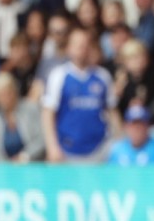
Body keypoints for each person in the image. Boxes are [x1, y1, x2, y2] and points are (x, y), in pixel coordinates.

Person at [41, 28, 117, 163]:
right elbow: (48, 113)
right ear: (69, 48)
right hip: (67, 151)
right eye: (77, 44)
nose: (82, 48)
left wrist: (119, 142)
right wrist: (52, 146)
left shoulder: (102, 76)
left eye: (85, 44)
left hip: (99, 151)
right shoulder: (59, 75)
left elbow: (112, 111)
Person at [0, 72, 43, 162]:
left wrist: (25, 156)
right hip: (5, 169)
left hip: (33, 164)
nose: (6, 98)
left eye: (8, 93)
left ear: (14, 92)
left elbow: (41, 139)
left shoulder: (31, 109)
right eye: (1, 95)